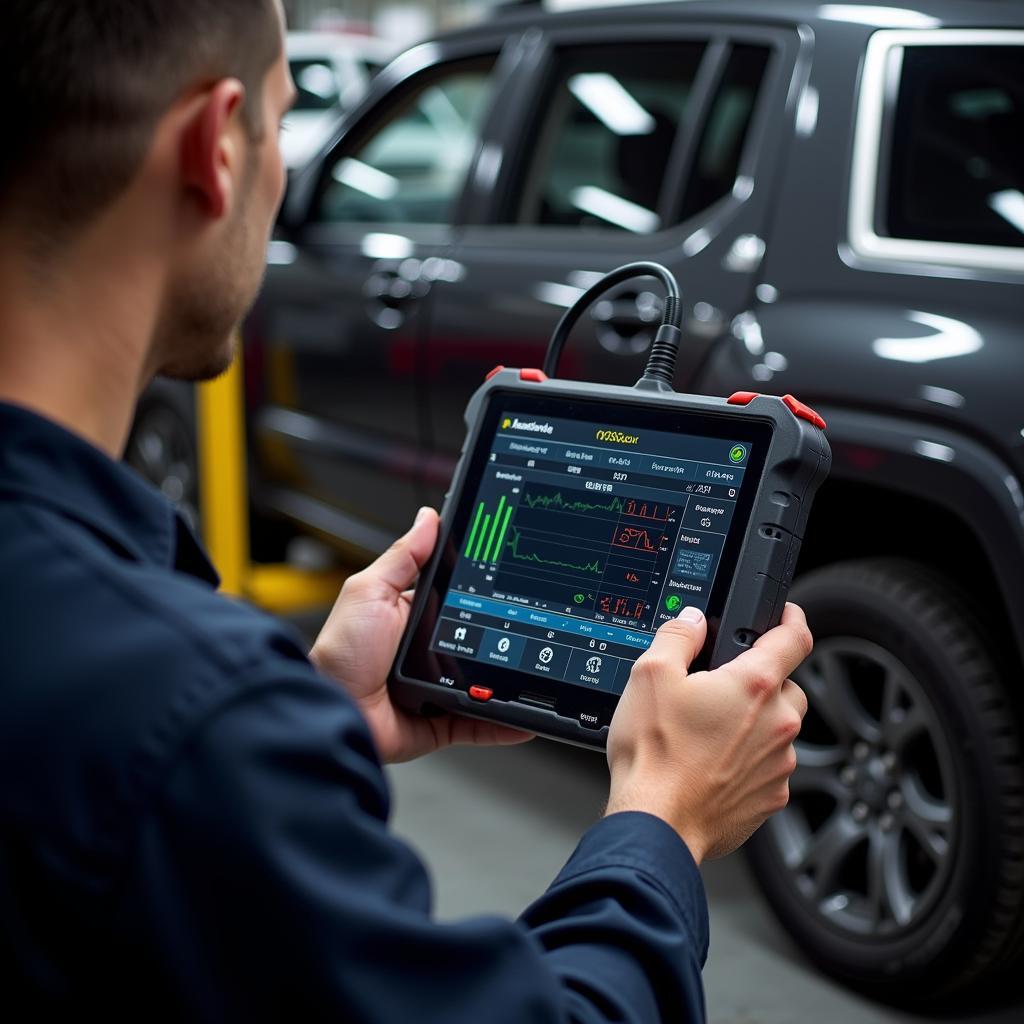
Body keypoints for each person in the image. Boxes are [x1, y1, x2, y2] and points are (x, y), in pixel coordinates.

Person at [0, 2, 811, 1020]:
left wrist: (310, 718)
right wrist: (661, 822)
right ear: (216, 146)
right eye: (282, 126)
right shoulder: (183, 716)